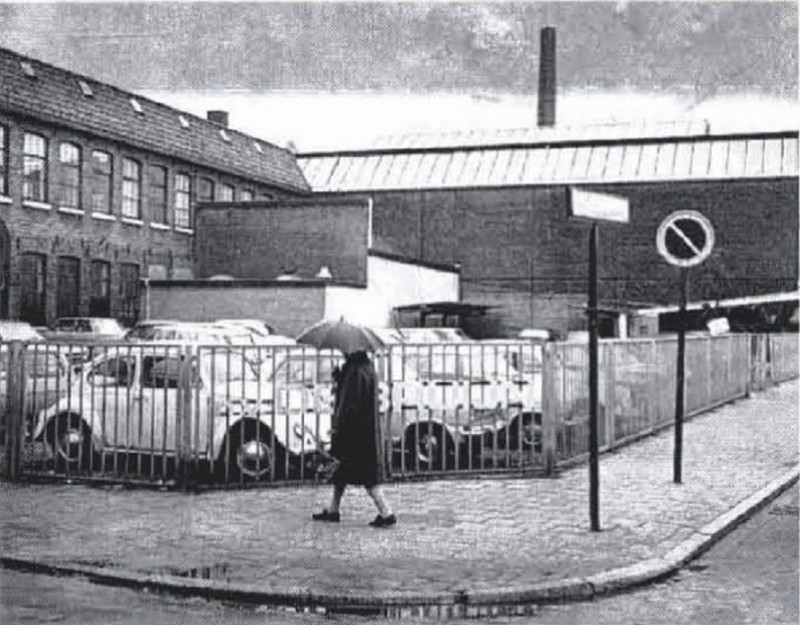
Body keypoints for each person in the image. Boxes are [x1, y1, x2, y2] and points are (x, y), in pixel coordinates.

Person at [312, 350, 396, 527]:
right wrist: (339, 376)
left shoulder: (354, 371)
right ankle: (333, 509)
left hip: (354, 431)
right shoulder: (365, 367)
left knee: (366, 474)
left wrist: (338, 427)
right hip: (364, 428)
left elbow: (349, 402)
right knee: (341, 470)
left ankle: (386, 512)